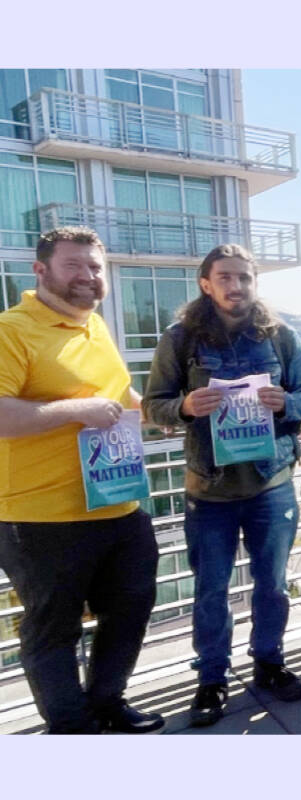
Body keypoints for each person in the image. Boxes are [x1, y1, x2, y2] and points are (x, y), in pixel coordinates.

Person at [142, 243, 301, 727]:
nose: (235, 286)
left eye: (244, 277)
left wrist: (285, 402)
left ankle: (268, 662)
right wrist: (183, 407)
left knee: (273, 586)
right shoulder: (181, 339)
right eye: (225, 277)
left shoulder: (279, 335)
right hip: (210, 491)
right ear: (206, 283)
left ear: (254, 282)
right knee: (210, 590)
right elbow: (152, 404)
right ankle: (212, 679)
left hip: (272, 484)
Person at [0, 227, 161, 734]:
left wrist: (169, 411)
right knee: (54, 629)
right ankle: (73, 730)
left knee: (131, 608)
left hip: (118, 503)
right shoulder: (12, 329)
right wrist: (78, 411)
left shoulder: (96, 327)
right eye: (74, 266)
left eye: (95, 267)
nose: (88, 277)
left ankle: (107, 701)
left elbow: (117, 397)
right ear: (41, 271)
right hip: (42, 515)